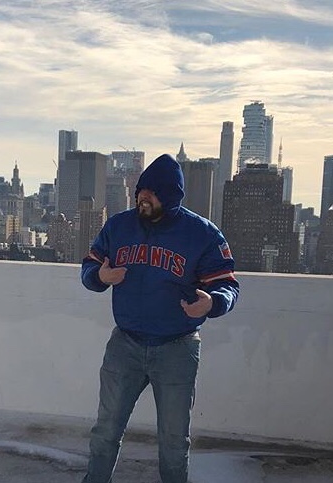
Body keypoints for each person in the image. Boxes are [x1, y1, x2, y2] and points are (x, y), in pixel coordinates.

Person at [81, 153, 239, 483]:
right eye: (141, 190)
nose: (144, 197)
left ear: (169, 197)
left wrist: (212, 303)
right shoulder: (118, 226)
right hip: (125, 344)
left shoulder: (202, 234)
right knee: (106, 430)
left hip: (177, 348)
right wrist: (100, 277)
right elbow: (90, 267)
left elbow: (226, 284)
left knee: (174, 440)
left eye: (152, 193)